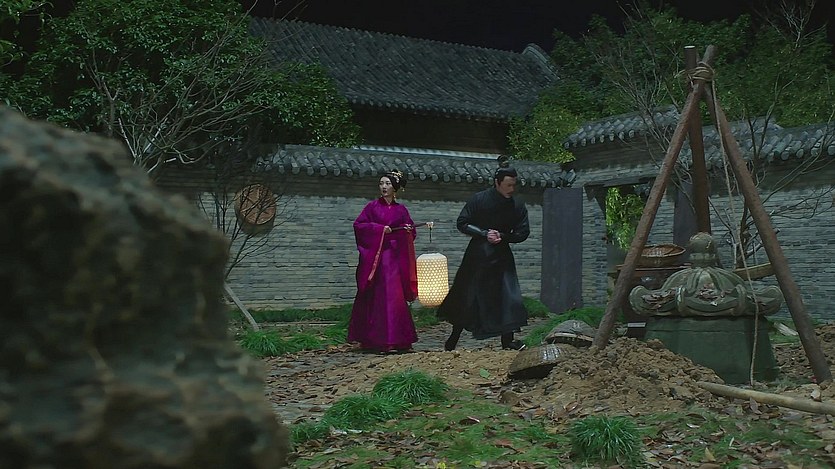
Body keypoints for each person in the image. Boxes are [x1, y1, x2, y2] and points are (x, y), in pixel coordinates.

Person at [437, 157, 530, 351]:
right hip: (478, 254)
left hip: (502, 255)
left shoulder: (517, 205)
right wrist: (483, 233)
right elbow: (462, 222)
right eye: (508, 185)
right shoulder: (479, 199)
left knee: (507, 296)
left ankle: (508, 339)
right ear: (497, 183)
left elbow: (522, 232)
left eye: (513, 185)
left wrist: (503, 236)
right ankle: (454, 336)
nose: (511, 189)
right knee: (468, 295)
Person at [347, 170, 419, 353]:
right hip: (376, 259)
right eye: (381, 183)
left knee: (395, 298)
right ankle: (376, 340)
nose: (384, 187)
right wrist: (379, 229)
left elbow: (411, 231)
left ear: (395, 188)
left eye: (387, 184)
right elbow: (359, 226)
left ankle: (400, 340)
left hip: (394, 258)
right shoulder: (372, 207)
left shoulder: (401, 210)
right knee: (378, 296)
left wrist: (407, 230)